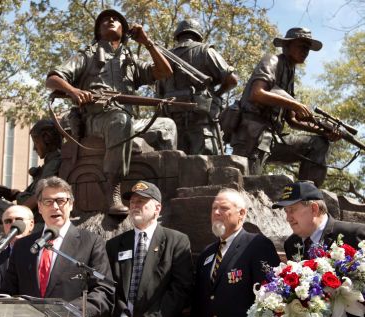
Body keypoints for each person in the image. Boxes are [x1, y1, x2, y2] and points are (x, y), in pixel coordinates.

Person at [46, 9, 174, 215]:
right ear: (98, 31)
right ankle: (113, 189)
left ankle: (164, 190)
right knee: (120, 120)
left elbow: (165, 72)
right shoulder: (87, 55)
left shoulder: (130, 59)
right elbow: (52, 79)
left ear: (124, 31)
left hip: (129, 118)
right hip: (96, 119)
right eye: (105, 20)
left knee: (167, 126)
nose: (111, 20)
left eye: (116, 19)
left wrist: (147, 42)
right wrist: (74, 91)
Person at [0, 176, 114, 317]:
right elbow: (9, 290)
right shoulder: (23, 246)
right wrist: (2, 311)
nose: (55, 206)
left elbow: (104, 291)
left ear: (71, 205)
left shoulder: (90, 242)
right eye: (48, 201)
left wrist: (70, 311)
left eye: (61, 200)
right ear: (39, 207)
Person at [230, 27, 333, 187]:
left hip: (274, 138)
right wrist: (294, 103)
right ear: (287, 46)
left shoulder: (290, 72)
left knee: (319, 144)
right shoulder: (272, 60)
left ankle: (305, 197)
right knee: (246, 185)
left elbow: (291, 120)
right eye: (301, 46)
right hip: (252, 136)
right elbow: (257, 93)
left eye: (308, 48)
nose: (306, 51)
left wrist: (324, 131)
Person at [273, 180, 365, 317]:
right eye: (286, 211)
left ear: (314, 208)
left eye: (292, 210)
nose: (288, 217)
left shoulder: (353, 235)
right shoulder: (291, 244)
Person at [105, 180, 193, 317]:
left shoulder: (176, 241)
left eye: (141, 201)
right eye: (131, 202)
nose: (134, 206)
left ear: (157, 208)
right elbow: (108, 288)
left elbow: (181, 289)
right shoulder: (114, 245)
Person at [191, 188, 280, 317]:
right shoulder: (207, 254)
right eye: (213, 208)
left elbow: (270, 299)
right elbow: (200, 305)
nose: (216, 212)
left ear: (241, 213)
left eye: (223, 208)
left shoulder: (257, 245)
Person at [157, 19, 237, 155]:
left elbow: (159, 94)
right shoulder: (206, 51)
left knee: (173, 168)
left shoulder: (161, 58)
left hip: (171, 126)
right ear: (198, 35)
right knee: (205, 165)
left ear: (177, 35)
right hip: (202, 124)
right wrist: (217, 94)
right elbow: (232, 80)